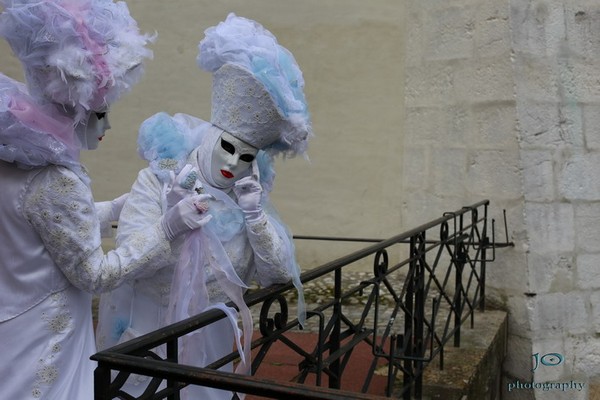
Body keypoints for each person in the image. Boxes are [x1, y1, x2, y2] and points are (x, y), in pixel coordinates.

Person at [0, 1, 211, 399]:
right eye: (100, 114)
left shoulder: (13, 156)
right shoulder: (56, 177)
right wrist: (167, 229)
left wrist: (112, 209)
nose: (108, 125)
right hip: (47, 336)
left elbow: (38, 223)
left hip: (10, 321)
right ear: (75, 108)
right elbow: (94, 274)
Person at [96, 13, 313, 399]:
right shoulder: (159, 180)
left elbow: (276, 273)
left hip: (210, 341)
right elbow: (128, 255)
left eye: (245, 156)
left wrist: (254, 215)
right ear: (212, 135)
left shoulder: (244, 194)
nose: (232, 164)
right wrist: (173, 224)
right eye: (227, 148)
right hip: (149, 332)